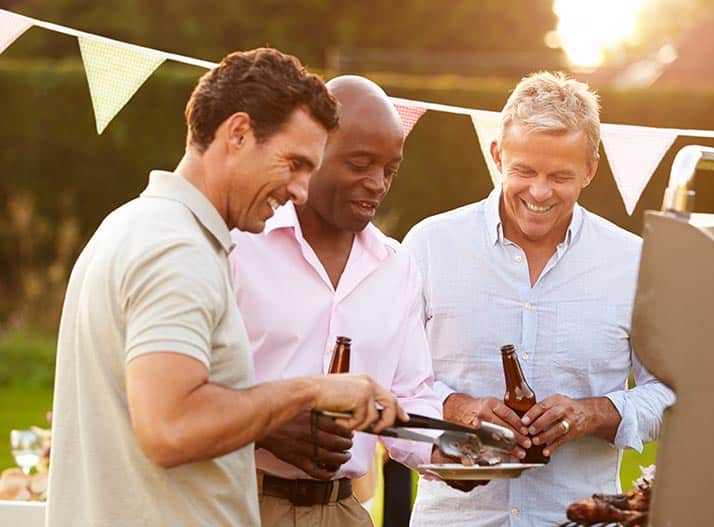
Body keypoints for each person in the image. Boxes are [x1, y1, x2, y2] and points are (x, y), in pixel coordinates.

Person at [46, 49, 405, 527]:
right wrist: (309, 392)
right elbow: (172, 427)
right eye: (294, 163)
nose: (300, 190)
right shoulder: (176, 249)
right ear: (238, 134)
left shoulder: (132, 223)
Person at [403, 71, 675, 527]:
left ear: (591, 169)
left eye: (560, 176)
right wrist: (458, 408)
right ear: (496, 156)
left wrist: (596, 413)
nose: (540, 192)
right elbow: (389, 380)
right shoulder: (429, 245)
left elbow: (672, 396)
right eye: (524, 171)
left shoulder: (635, 261)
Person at [230, 75, 442, 527]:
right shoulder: (240, 245)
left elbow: (411, 394)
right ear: (312, 152)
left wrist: (449, 452)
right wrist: (264, 430)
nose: (379, 183)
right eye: (361, 163)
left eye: (390, 169)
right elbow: (187, 388)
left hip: (345, 510)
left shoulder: (397, 266)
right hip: (239, 502)